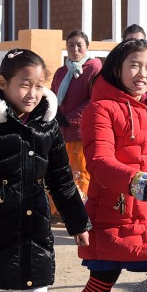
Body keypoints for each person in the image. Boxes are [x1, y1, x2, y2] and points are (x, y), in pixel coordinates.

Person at [0, 49, 90, 292]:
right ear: (3, 83)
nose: (33, 94)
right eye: (25, 85)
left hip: (34, 230)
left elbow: (61, 178)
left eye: (39, 86)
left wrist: (78, 223)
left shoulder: (48, 125)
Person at [79, 38, 147, 292]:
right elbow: (99, 162)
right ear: (117, 68)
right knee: (102, 281)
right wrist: (135, 181)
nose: (143, 73)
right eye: (135, 65)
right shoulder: (100, 109)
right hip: (115, 210)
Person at [51, 30, 102, 197]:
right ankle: (60, 210)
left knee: (80, 172)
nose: (75, 49)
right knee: (61, 171)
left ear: (87, 47)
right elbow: (52, 95)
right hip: (61, 131)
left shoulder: (94, 68)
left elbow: (94, 100)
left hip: (80, 132)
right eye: (71, 45)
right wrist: (54, 114)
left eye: (79, 45)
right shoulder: (61, 72)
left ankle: (80, 210)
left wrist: (69, 118)